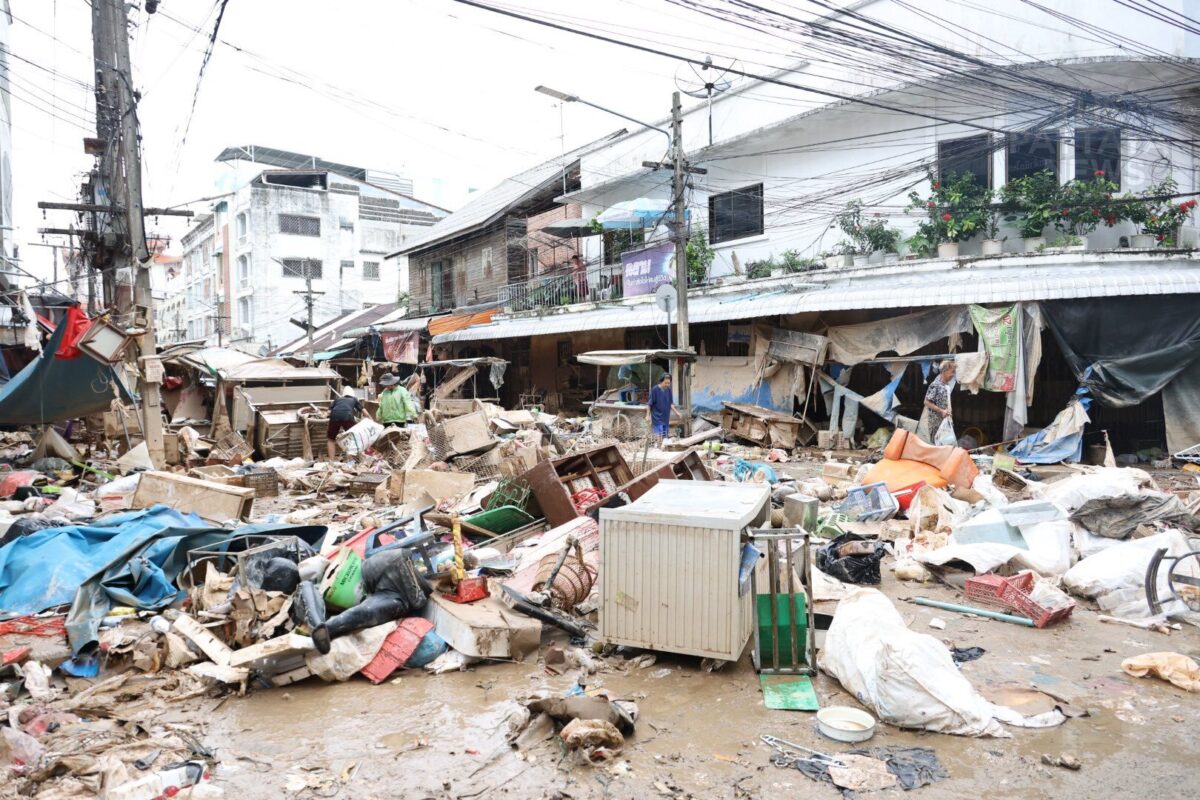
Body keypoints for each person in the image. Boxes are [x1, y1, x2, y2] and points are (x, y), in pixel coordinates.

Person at [918, 359, 956, 444]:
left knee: (945, 446)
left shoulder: (946, 386)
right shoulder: (935, 385)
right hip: (936, 424)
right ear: (944, 371)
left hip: (945, 422)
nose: (953, 375)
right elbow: (926, 402)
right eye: (952, 372)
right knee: (936, 445)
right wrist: (941, 411)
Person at [327, 386, 363, 461]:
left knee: (331, 439)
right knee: (353, 438)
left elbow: (328, 412)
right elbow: (363, 410)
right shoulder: (354, 399)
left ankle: (332, 461)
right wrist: (370, 419)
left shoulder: (337, 400)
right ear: (352, 394)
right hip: (347, 416)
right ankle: (351, 460)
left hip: (334, 416)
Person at [648, 372, 674, 438]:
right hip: (657, 418)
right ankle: (658, 443)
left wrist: (677, 413)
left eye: (669, 383)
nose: (667, 385)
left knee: (665, 437)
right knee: (658, 437)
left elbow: (671, 404)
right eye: (666, 383)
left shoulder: (668, 390)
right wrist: (647, 415)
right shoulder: (655, 389)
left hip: (666, 418)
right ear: (661, 381)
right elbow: (650, 404)